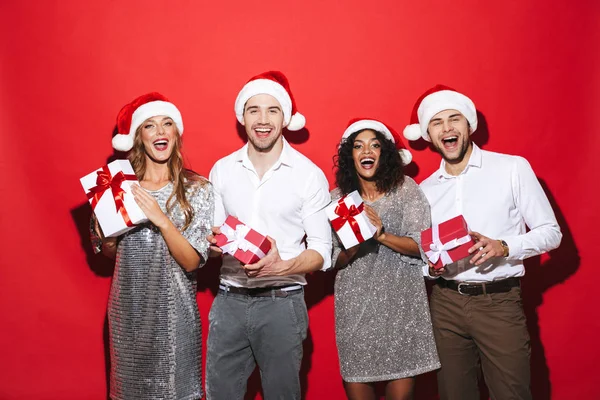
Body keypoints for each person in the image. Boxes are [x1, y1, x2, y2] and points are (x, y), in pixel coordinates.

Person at [403, 85, 562, 400]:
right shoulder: (425, 189)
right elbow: (422, 255)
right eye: (437, 122)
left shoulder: (511, 168)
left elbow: (550, 232)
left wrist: (504, 247)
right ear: (428, 135)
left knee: (512, 394)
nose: (447, 128)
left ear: (468, 125)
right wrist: (431, 268)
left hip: (498, 303)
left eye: (454, 119)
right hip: (445, 305)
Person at [205, 71, 332, 400]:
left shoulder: (307, 175)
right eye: (254, 110)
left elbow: (321, 250)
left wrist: (282, 266)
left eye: (272, 110)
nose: (263, 120)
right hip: (229, 301)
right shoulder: (222, 170)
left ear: (285, 117)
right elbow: (216, 240)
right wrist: (210, 243)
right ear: (242, 117)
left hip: (282, 302)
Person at [90, 92, 213, 400]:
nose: (160, 132)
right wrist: (108, 237)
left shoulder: (196, 188)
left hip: (175, 319)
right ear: (138, 136)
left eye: (167, 123)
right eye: (150, 126)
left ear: (176, 134)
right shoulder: (117, 187)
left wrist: (161, 219)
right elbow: (110, 253)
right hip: (127, 314)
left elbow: (192, 262)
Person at [331, 118, 440, 400]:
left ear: (385, 153)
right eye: (358, 146)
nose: (367, 151)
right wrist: (354, 243)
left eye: (375, 144)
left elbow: (424, 246)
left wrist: (379, 234)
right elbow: (332, 259)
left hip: (402, 304)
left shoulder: (405, 189)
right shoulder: (337, 199)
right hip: (355, 306)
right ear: (350, 155)